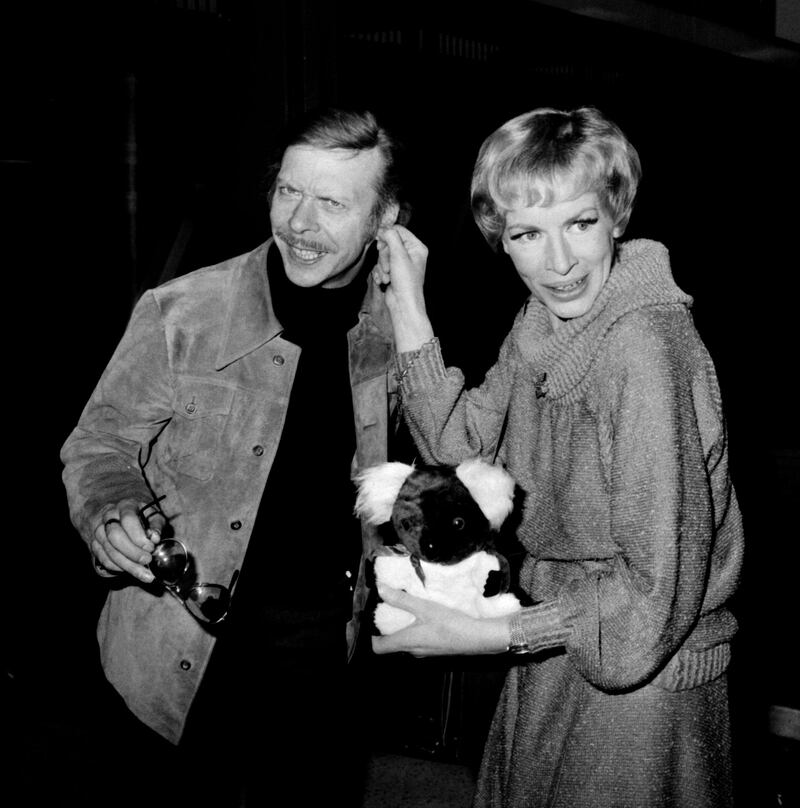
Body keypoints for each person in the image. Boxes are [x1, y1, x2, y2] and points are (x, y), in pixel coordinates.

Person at [371, 106, 744, 807]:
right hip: (562, 648)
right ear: (501, 240)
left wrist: (487, 636)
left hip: (640, 688)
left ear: (617, 215)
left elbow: (653, 596)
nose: (560, 263)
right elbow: (461, 454)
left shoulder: (645, 348)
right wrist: (407, 307)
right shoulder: (540, 324)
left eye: (580, 223)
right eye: (528, 235)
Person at [60, 107, 410, 807]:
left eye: (332, 203)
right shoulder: (181, 311)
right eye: (288, 191)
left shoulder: (401, 329)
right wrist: (112, 510)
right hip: (177, 643)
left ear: (385, 219)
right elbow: (99, 443)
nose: (299, 223)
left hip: (320, 653)